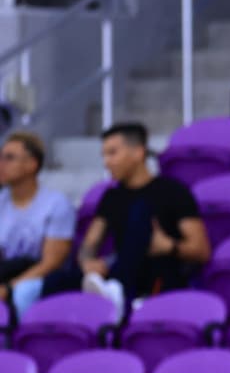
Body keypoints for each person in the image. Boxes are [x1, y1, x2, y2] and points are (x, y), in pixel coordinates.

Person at [74, 122, 210, 319]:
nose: (107, 162)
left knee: (140, 211)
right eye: (104, 155)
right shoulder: (111, 196)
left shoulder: (172, 191)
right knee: (56, 281)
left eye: (112, 153)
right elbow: (90, 243)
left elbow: (201, 250)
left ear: (138, 153)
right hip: (122, 267)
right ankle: (116, 291)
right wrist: (88, 262)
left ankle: (118, 292)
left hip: (161, 273)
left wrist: (169, 246)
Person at [0, 131, 75, 315]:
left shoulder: (56, 204)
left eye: (9, 158)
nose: (1, 164)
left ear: (32, 164)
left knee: (23, 294)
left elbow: (51, 263)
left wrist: (9, 288)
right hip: (6, 272)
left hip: (40, 280)